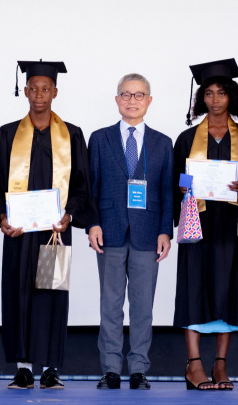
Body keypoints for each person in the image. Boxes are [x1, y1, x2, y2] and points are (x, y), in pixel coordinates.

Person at [0, 60, 93, 390]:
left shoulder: (72, 135)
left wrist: (69, 215)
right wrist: (2, 218)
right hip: (19, 235)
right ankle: (23, 367)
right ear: (26, 91)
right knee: (19, 294)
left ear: (55, 92)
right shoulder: (7, 135)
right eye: (34, 88)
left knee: (52, 296)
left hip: (54, 234)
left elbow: (82, 185)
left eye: (46, 89)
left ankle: (51, 368)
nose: (39, 95)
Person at [88, 73, 174, 390]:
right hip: (108, 231)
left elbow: (167, 192)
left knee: (142, 307)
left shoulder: (163, 143)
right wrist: (93, 223)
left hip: (148, 232)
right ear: (116, 100)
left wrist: (166, 231)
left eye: (139, 95)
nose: (132, 100)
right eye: (126, 94)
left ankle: (138, 368)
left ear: (149, 101)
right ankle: (111, 369)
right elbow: (91, 186)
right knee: (110, 305)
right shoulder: (99, 139)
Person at [173, 59, 238, 391]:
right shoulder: (187, 137)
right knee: (193, 288)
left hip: (231, 223)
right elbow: (179, 178)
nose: (215, 99)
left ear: (231, 96)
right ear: (201, 98)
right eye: (208, 93)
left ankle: (220, 366)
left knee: (227, 289)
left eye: (221, 93)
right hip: (197, 222)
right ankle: (194, 364)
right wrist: (184, 185)